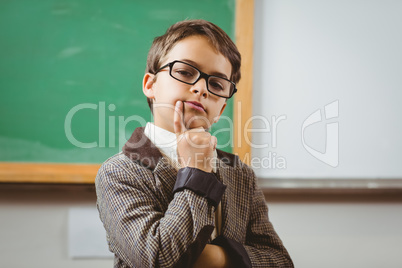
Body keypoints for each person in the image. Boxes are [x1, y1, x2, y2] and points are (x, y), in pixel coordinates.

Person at [95, 19, 293, 268]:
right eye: (186, 72)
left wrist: (215, 258)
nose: (201, 88)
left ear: (221, 108)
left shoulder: (240, 174)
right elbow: (158, 259)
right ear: (150, 85)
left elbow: (281, 261)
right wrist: (196, 171)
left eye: (217, 84)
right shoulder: (119, 172)